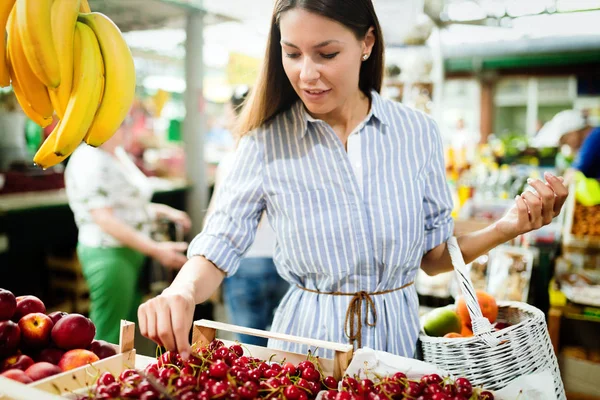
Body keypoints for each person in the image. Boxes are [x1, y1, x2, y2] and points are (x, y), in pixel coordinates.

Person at [138, 0, 568, 359]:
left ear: (366, 43)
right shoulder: (266, 141)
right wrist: (182, 290)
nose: (307, 73)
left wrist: (507, 227)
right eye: (292, 53)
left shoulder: (416, 133)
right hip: (305, 351)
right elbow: (220, 245)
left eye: (326, 54)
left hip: (396, 344)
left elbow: (434, 254)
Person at [64, 126, 191, 344]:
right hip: (108, 252)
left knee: (128, 327)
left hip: (132, 249)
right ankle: (99, 375)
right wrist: (156, 250)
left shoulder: (118, 154)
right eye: (121, 121)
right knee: (109, 330)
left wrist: (164, 211)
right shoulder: (88, 159)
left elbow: (129, 206)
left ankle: (123, 375)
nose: (125, 126)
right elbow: (105, 218)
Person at [208, 86, 289, 346]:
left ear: (237, 113)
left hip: (244, 262)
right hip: (284, 262)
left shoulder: (236, 158)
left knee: (249, 348)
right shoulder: (286, 153)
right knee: (284, 347)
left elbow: (215, 217)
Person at [534, 109, 600, 180]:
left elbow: (573, 172)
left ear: (573, 131)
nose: (568, 145)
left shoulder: (595, 136)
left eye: (565, 141)